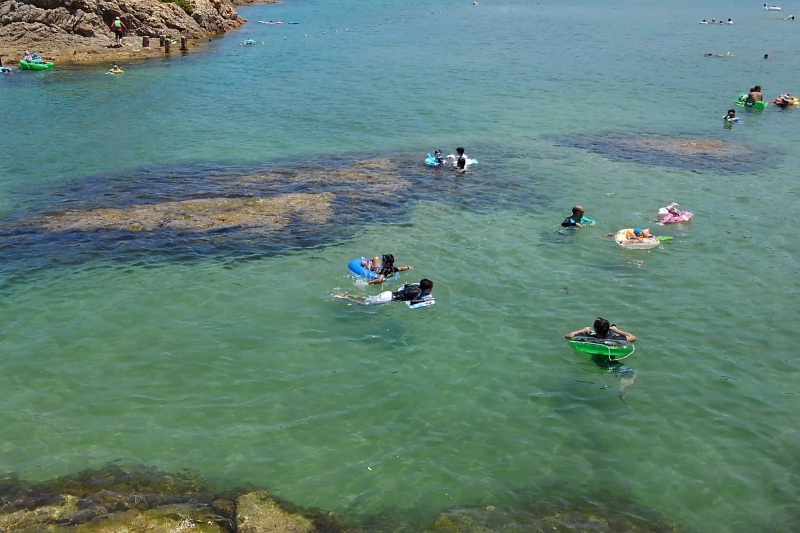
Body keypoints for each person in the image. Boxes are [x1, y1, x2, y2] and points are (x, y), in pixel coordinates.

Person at [334, 278, 433, 306]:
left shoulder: (415, 286)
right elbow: (413, 302)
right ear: (427, 289)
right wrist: (426, 299)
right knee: (364, 303)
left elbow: (406, 286)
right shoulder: (419, 293)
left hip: (389, 293)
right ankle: (344, 297)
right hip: (389, 299)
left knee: (367, 298)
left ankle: (345, 295)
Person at [565, 317, 636, 343]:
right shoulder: (614, 339)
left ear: (595, 329)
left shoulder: (588, 337)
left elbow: (568, 336)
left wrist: (583, 330)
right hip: (609, 350)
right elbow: (633, 338)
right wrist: (616, 330)